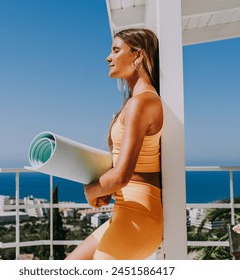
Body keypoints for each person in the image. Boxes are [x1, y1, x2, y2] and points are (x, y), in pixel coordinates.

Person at [66, 28, 163, 260]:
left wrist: (91, 191)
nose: (108, 57)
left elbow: (121, 176)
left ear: (138, 56)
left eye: (116, 50)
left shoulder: (143, 102)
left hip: (139, 218)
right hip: (124, 212)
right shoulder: (136, 102)